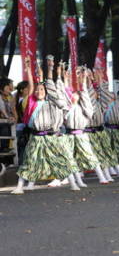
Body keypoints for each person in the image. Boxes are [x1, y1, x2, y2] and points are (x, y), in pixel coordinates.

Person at [12, 58, 81, 194]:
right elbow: (33, 86)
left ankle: (73, 183)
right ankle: (20, 186)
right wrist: (30, 71)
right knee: (29, 161)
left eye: (42, 89)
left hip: (51, 136)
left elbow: (48, 85)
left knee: (61, 160)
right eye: (37, 90)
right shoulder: (32, 103)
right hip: (36, 137)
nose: (39, 92)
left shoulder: (51, 103)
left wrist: (49, 70)